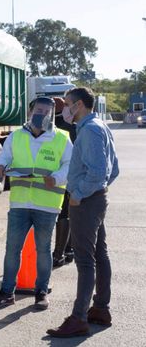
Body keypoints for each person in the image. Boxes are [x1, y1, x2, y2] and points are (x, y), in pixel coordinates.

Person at [0, 97, 73, 310]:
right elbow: (4, 157)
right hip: (20, 203)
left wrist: (57, 178)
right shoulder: (16, 136)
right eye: (39, 109)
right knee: (12, 249)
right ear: (30, 111)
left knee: (43, 250)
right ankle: (7, 292)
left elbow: (70, 164)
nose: (42, 113)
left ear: (53, 114)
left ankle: (41, 291)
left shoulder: (62, 137)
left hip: (47, 204)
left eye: (47, 110)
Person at [47, 87, 119, 338]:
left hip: (86, 202)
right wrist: (98, 191)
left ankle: (78, 318)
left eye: (66, 104)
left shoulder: (89, 130)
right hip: (95, 200)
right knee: (100, 254)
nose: (64, 109)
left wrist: (78, 195)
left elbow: (99, 172)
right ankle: (100, 309)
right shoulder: (99, 126)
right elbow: (114, 170)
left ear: (78, 105)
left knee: (86, 260)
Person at [52, 97, 77, 267]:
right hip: (69, 175)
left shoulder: (47, 128)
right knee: (66, 213)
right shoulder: (73, 128)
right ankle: (65, 250)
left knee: (57, 214)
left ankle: (59, 252)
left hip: (49, 176)